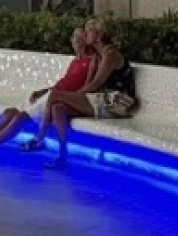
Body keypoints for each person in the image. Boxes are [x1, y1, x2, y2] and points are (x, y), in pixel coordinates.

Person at [0, 25, 95, 161]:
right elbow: (64, 82)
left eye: (76, 37)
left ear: (83, 41)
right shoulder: (75, 60)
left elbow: (85, 86)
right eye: (73, 37)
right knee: (9, 113)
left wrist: (65, 98)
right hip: (51, 94)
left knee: (20, 117)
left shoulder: (90, 61)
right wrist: (43, 91)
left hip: (57, 98)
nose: (72, 40)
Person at [39, 20, 137, 168]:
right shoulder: (98, 56)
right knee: (57, 108)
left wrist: (73, 95)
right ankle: (62, 156)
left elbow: (95, 85)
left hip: (117, 102)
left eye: (89, 31)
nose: (86, 34)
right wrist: (73, 96)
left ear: (99, 35)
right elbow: (90, 84)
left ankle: (39, 138)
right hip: (101, 98)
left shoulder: (110, 55)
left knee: (55, 95)